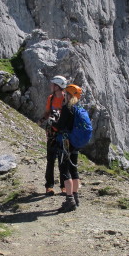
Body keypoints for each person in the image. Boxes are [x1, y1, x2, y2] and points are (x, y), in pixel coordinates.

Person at [55, 84, 83, 212]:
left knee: (65, 170)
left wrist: (52, 122)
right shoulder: (78, 108)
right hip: (75, 142)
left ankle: (69, 200)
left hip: (66, 143)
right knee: (74, 169)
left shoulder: (67, 108)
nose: (64, 94)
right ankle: (76, 198)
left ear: (68, 94)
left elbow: (60, 126)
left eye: (65, 93)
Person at [39, 75, 67, 196]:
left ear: (58, 86)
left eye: (53, 84)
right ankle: (49, 186)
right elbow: (47, 112)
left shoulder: (66, 100)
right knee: (51, 159)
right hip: (51, 133)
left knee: (63, 160)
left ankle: (64, 186)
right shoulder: (50, 98)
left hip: (63, 133)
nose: (50, 86)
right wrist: (41, 120)